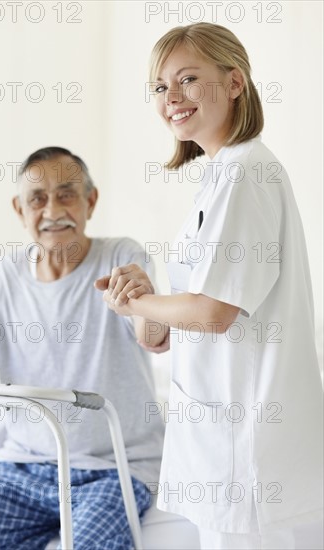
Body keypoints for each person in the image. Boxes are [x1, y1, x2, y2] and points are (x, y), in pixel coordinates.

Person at [95, 23, 323, 550]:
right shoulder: (221, 177)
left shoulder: (248, 173)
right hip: (221, 441)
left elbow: (216, 311)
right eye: (158, 86)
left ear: (235, 82)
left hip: (246, 448)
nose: (170, 98)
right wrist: (146, 302)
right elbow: (179, 326)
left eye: (188, 79)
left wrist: (136, 302)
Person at [0, 146, 167, 550]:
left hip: (114, 469)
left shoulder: (122, 258)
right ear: (20, 209)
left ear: (90, 201)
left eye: (66, 193)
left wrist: (147, 300)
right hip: (21, 469)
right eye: (37, 198)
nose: (52, 210)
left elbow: (151, 338)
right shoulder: (1, 277)